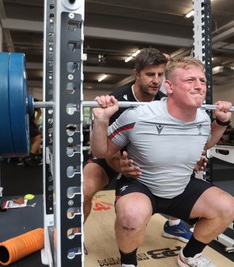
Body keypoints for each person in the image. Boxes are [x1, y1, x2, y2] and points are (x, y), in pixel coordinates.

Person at [90, 56, 234, 267]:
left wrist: (222, 122)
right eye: (190, 80)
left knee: (228, 207)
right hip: (142, 185)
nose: (199, 86)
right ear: (169, 87)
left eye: (202, 81)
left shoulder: (204, 119)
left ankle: (189, 256)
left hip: (180, 186)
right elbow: (101, 150)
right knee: (131, 217)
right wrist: (101, 121)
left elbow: (205, 144)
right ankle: (129, 263)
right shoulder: (138, 117)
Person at [83, 48, 194, 244]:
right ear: (136, 74)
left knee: (180, 172)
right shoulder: (118, 100)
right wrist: (118, 164)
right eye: (150, 74)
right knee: (84, 188)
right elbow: (106, 148)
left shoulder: (164, 101)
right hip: (113, 152)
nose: (156, 80)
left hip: (143, 155)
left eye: (160, 74)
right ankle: (75, 236)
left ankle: (174, 225)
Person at [24, 100, 42, 167]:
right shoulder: (28, 101)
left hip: (29, 123)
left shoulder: (33, 101)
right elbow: (40, 112)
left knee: (35, 140)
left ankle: (40, 156)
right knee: (38, 139)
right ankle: (30, 157)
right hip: (29, 123)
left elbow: (40, 112)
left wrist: (36, 120)